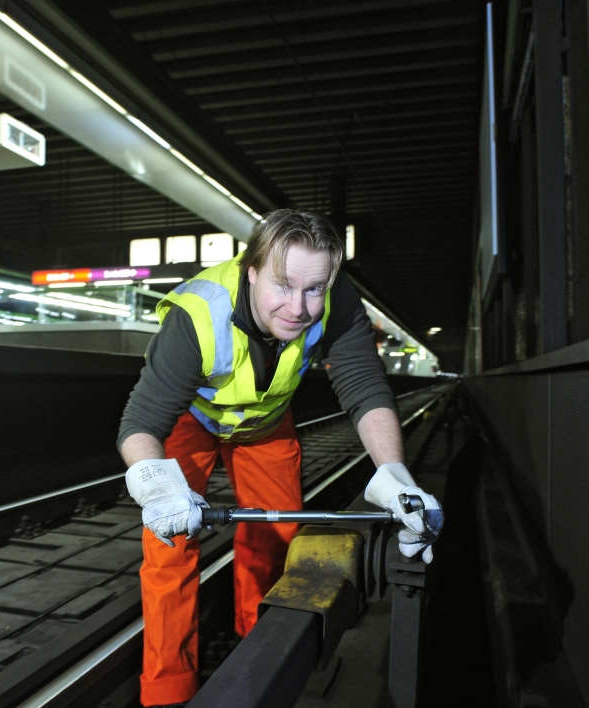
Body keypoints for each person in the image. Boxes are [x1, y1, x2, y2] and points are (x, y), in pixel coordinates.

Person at [118, 209, 443, 707]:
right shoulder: (197, 314)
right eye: (283, 285)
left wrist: (395, 475)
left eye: (314, 289)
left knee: (274, 537)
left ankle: (260, 652)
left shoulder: (336, 299)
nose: (299, 307)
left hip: (265, 425)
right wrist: (158, 488)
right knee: (169, 543)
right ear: (251, 270)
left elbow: (364, 388)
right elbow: (141, 423)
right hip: (193, 420)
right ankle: (166, 692)